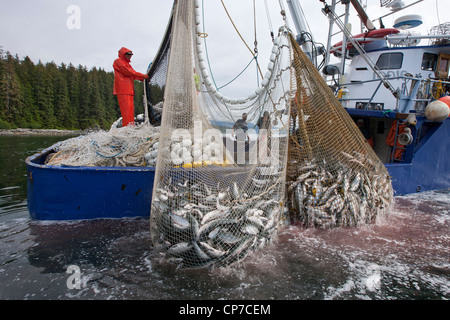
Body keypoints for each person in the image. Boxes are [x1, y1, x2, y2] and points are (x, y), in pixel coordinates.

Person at [113, 47, 149, 127]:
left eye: (130, 54)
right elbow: (128, 72)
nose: (129, 56)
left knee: (130, 111)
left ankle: (131, 126)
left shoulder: (128, 64)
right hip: (122, 90)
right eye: (127, 54)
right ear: (123, 54)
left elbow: (133, 75)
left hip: (129, 90)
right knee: (126, 111)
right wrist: (143, 76)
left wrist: (142, 79)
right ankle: (126, 128)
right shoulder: (118, 61)